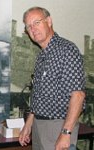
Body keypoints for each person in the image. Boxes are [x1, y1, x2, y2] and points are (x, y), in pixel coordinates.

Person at [19, 6, 85, 150]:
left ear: (49, 21)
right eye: (29, 26)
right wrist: (28, 124)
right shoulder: (41, 56)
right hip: (38, 126)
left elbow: (78, 96)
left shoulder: (67, 50)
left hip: (58, 127)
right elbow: (39, 97)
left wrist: (66, 133)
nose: (33, 29)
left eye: (36, 22)